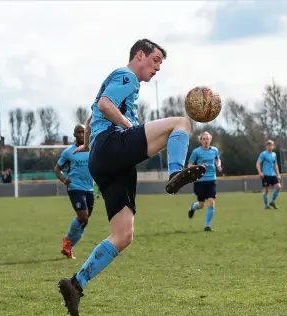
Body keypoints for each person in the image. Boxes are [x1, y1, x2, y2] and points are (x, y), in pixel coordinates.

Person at [57, 39, 206, 316]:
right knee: (182, 123)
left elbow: (90, 120)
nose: (158, 67)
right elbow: (104, 105)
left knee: (123, 235)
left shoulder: (119, 81)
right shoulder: (126, 76)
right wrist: (127, 126)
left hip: (105, 160)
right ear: (140, 54)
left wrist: (89, 145)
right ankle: (176, 172)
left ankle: (76, 283)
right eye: (156, 60)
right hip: (112, 145)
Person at [54, 125, 95, 260]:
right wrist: (64, 179)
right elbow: (57, 168)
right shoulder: (68, 152)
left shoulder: (92, 149)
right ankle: (67, 240)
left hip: (90, 188)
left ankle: (68, 247)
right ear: (74, 134)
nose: (82, 134)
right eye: (79, 132)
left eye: (83, 131)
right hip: (75, 187)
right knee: (83, 217)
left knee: (85, 221)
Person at [187, 131, 222, 231]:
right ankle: (193, 207)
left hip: (211, 180)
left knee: (211, 202)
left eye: (207, 139)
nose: (206, 141)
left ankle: (207, 225)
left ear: (210, 140)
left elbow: (217, 159)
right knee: (201, 204)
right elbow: (189, 166)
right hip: (200, 181)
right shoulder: (196, 152)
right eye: (204, 139)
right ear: (201, 140)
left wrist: (218, 165)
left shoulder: (214, 150)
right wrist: (200, 166)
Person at [256, 140, 281, 209]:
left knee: (278, 187)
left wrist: (278, 174)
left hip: (273, 174)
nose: (270, 146)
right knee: (266, 190)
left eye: (271, 145)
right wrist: (260, 172)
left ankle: (272, 201)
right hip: (266, 175)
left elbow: (275, 165)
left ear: (273, 146)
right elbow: (258, 163)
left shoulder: (274, 155)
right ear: (266, 146)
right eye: (268, 145)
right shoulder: (263, 154)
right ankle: (266, 205)